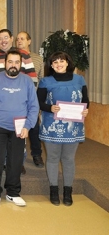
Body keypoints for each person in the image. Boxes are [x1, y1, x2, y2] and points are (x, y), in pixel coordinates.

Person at [0, 49, 39, 209]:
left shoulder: (27, 81)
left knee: (15, 162)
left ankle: (13, 193)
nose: (13, 65)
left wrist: (28, 126)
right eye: (10, 62)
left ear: (20, 64)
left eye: (16, 62)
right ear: (4, 63)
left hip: (19, 130)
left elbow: (34, 106)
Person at [37, 51, 89, 206]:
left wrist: (86, 110)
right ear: (51, 65)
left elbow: (85, 100)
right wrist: (50, 107)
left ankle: (68, 191)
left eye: (61, 61)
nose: (58, 64)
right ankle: (53, 189)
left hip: (73, 126)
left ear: (68, 62)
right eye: (55, 62)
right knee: (52, 158)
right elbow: (39, 102)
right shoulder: (46, 81)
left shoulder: (80, 79)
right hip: (51, 125)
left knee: (68, 159)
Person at [0, 29, 38, 175]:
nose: (3, 41)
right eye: (0, 38)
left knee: (18, 152)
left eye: (6, 37)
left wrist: (24, 102)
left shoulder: (24, 55)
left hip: (20, 111)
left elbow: (32, 81)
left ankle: (17, 165)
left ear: (11, 39)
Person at [16, 31, 45, 168]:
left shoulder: (38, 58)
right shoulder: (14, 57)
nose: (19, 41)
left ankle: (37, 154)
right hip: (17, 99)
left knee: (34, 127)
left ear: (29, 41)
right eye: (17, 39)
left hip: (32, 98)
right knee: (18, 128)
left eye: (22, 39)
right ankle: (19, 158)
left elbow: (40, 79)